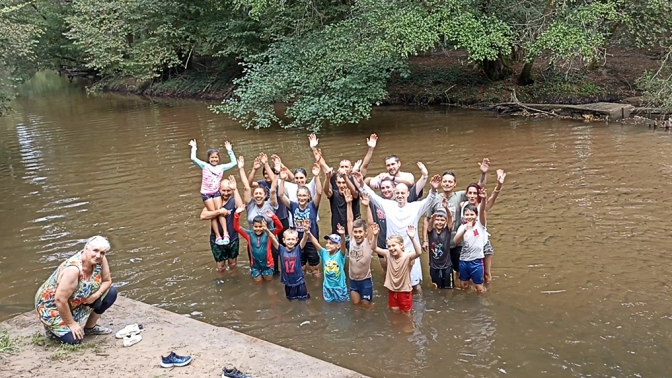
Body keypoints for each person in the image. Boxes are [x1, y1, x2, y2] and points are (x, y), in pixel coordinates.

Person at [354, 171, 440, 292]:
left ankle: (419, 308)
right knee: (395, 284)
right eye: (398, 193)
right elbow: (372, 195)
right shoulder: (388, 205)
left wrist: (434, 189)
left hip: (411, 250)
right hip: (394, 251)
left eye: (402, 193)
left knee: (415, 285)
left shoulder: (415, 207)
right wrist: (362, 183)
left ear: (407, 194)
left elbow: (429, 201)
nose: (400, 195)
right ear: (394, 193)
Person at [35, 236, 117, 344]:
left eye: (102, 252)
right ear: (86, 249)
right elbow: (59, 300)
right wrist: (71, 323)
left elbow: (107, 280)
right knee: (75, 340)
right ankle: (52, 329)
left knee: (111, 293)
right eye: (95, 251)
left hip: (77, 300)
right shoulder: (73, 270)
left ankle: (90, 328)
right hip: (53, 306)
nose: (98, 255)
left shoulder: (100, 259)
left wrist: (96, 295)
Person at [422, 158, 490, 284]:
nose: (447, 183)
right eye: (445, 181)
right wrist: (425, 240)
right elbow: (427, 220)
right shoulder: (434, 199)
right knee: (444, 271)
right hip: (441, 242)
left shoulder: (460, 196)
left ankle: (461, 291)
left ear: (455, 184)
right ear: (441, 183)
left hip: (458, 242)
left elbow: (477, 188)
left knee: (460, 272)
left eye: (450, 182)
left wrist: (483, 174)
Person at [359, 161, 428, 272]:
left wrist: (424, 176)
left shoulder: (404, 200)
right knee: (388, 273)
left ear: (395, 189)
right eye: (383, 188)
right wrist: (377, 178)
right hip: (383, 243)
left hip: (401, 244)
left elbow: (415, 185)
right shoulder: (377, 201)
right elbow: (363, 185)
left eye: (388, 187)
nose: (385, 190)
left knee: (408, 277)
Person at [460, 169, 506, 283]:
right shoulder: (463, 205)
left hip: (483, 244)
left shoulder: (482, 207)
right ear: (466, 194)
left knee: (486, 275)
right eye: (470, 193)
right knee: (467, 275)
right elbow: (478, 185)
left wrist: (499, 185)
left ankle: (486, 295)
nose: (472, 195)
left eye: (475, 193)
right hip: (468, 245)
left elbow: (492, 199)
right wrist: (483, 173)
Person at [309, 134, 361, 235]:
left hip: (353, 228)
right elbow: (323, 164)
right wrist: (313, 148)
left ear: (350, 168)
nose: (344, 169)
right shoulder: (334, 179)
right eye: (342, 166)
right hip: (337, 226)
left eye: (346, 167)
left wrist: (348, 176)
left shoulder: (354, 179)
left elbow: (355, 192)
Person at [189, 139, 237, 245]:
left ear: (219, 159)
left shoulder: (221, 167)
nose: (214, 159)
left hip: (216, 192)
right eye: (212, 157)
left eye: (216, 157)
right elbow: (193, 158)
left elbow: (234, 163)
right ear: (209, 159)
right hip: (206, 193)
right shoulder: (205, 166)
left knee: (220, 211)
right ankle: (218, 236)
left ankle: (225, 233)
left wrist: (230, 151)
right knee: (214, 214)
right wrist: (194, 147)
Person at [278, 164, 323, 276]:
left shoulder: (313, 205)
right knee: (301, 268)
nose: (302, 198)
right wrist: (283, 180)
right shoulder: (293, 206)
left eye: (304, 196)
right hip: (298, 241)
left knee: (315, 269)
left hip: (311, 241)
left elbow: (319, 192)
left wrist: (317, 176)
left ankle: (316, 290)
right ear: (297, 196)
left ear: (308, 197)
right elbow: (281, 195)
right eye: (300, 196)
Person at [199, 175, 244, 272]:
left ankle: (233, 282)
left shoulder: (233, 201)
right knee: (220, 267)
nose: (226, 193)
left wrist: (235, 189)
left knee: (233, 264)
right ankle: (221, 282)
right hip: (216, 238)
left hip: (232, 237)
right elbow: (203, 216)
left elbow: (240, 207)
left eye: (228, 191)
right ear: (219, 190)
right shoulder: (213, 202)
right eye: (223, 190)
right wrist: (219, 212)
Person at [372, 226, 422, 313]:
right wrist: (375, 236)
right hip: (392, 289)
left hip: (404, 291)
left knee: (406, 315)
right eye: (389, 246)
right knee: (394, 313)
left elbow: (419, 253)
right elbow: (374, 248)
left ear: (401, 245)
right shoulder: (388, 254)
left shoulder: (407, 256)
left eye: (393, 245)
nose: (391, 248)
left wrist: (412, 238)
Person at [233, 208, 283, 282]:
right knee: (258, 285)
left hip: (267, 266)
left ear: (264, 226)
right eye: (256, 227)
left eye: (260, 227)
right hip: (255, 267)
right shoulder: (249, 235)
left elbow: (280, 227)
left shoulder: (269, 234)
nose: (258, 229)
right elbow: (236, 227)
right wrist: (237, 214)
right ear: (252, 226)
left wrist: (273, 217)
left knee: (269, 285)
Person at [344, 189, 375, 306]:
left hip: (365, 281)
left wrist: (367, 207)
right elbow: (349, 220)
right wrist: (348, 203)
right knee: (356, 306)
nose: (357, 234)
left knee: (366, 306)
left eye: (360, 232)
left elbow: (371, 224)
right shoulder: (351, 240)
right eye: (355, 232)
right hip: (353, 281)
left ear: (365, 233)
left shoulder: (368, 242)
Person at [454, 187, 488, 293]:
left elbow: (482, 210)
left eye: (471, 214)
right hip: (464, 260)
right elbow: (456, 241)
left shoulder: (480, 224)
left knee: (479, 287)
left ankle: (481, 306)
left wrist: (484, 199)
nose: (469, 217)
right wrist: (464, 229)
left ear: (476, 216)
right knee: (464, 285)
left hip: (476, 261)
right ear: (463, 216)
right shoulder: (462, 227)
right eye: (467, 215)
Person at [268, 223, 311, 301]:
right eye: (288, 239)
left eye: (293, 239)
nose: (290, 241)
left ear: (296, 240)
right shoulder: (281, 250)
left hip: (299, 282)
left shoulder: (298, 249)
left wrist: (306, 231)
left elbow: (304, 239)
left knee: (303, 300)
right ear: (284, 240)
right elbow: (272, 237)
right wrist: (266, 230)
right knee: (291, 300)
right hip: (288, 282)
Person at [306, 225, 348, 302]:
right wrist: (308, 233)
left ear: (338, 245)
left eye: (331, 243)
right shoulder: (324, 253)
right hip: (327, 288)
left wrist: (342, 235)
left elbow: (343, 246)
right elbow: (316, 243)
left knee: (342, 306)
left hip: (339, 287)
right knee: (328, 307)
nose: (328, 245)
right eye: (327, 243)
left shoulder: (340, 255)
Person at [426, 201, 454, 290]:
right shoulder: (431, 232)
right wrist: (432, 219)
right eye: (437, 220)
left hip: (447, 266)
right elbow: (429, 225)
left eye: (442, 220)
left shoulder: (447, 231)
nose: (439, 222)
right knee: (436, 287)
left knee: (448, 288)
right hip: (434, 266)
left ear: (445, 221)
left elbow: (450, 217)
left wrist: (446, 208)